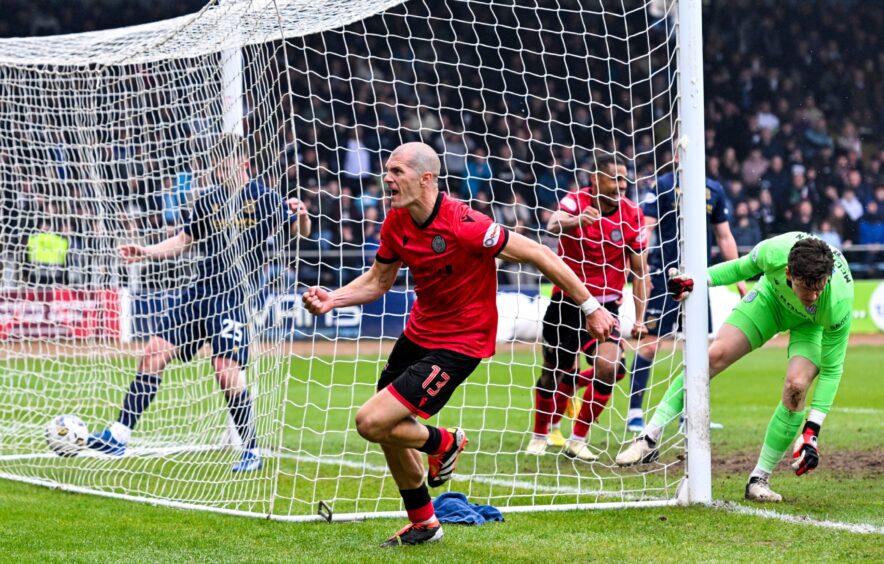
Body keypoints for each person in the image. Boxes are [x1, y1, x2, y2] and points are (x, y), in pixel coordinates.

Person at [302, 142, 615, 547]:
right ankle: (425, 523)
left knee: (370, 421)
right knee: (389, 430)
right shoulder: (396, 222)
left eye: (397, 171)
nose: (388, 179)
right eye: (387, 171)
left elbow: (539, 253)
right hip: (419, 333)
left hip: (463, 340)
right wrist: (334, 298)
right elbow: (379, 281)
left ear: (426, 178)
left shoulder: (465, 223)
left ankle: (446, 442)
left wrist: (590, 306)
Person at [88, 134, 311, 472]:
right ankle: (118, 435)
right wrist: (145, 252)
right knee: (153, 353)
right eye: (217, 168)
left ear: (244, 164)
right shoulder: (209, 199)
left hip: (234, 294)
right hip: (199, 292)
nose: (221, 173)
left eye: (227, 166)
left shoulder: (265, 198)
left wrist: (303, 213)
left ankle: (250, 450)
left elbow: (301, 232)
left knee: (225, 371)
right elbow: (183, 240)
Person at [616, 233, 854, 502]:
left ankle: (758, 480)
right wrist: (698, 280)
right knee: (712, 357)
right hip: (770, 302)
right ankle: (649, 438)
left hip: (809, 327)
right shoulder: (773, 252)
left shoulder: (838, 301)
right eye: (807, 287)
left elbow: (833, 369)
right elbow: (740, 268)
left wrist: (812, 430)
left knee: (797, 387)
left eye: (819, 287)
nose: (813, 295)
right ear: (788, 272)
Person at [526, 155, 649, 461]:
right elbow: (553, 225)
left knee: (610, 368)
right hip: (567, 303)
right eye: (614, 179)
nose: (621, 186)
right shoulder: (575, 201)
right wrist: (578, 221)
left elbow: (639, 272)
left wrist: (640, 318)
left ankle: (577, 439)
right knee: (553, 372)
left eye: (624, 179)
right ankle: (540, 434)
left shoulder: (632, 215)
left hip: (606, 307)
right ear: (595, 179)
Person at [625, 172, 748, 433]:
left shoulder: (713, 189)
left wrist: (740, 279)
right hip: (664, 276)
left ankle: (690, 415)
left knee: (698, 348)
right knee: (649, 345)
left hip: (698, 279)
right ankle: (635, 413)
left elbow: (724, 236)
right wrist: (643, 269)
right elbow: (646, 228)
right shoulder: (664, 184)